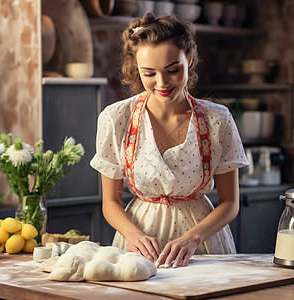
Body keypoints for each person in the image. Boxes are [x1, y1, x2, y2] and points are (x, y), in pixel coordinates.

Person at [90, 13, 248, 268]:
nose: (161, 83)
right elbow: (110, 202)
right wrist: (133, 235)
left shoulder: (217, 120)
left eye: (173, 70)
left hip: (204, 242)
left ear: (190, 60)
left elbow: (230, 203)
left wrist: (193, 239)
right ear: (136, 69)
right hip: (138, 242)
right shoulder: (116, 118)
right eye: (149, 73)